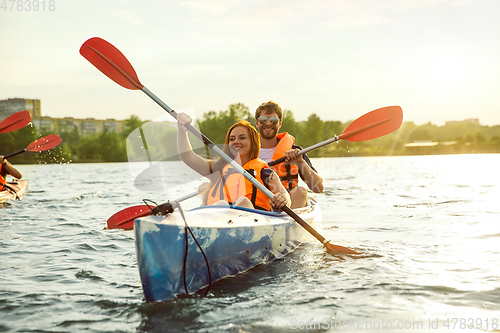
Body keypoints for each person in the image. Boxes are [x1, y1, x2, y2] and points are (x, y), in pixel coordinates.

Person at [176, 114, 291, 211]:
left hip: (252, 221)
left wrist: (283, 199)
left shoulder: (265, 173)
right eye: (232, 139)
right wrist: (182, 131)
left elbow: (285, 195)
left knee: (243, 202)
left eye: (242, 138)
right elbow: (188, 156)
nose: (236, 142)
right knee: (222, 204)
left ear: (253, 143)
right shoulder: (218, 169)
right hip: (217, 219)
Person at [254, 101, 323, 209]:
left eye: (273, 120)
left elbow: (318, 188)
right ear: (257, 123)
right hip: (257, 204)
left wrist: (300, 163)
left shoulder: (295, 151)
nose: (268, 123)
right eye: (263, 120)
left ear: (280, 123)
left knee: (300, 191)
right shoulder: (246, 152)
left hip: (288, 206)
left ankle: (291, 223)